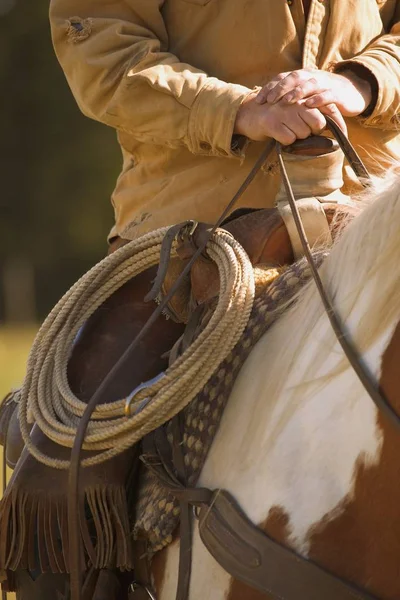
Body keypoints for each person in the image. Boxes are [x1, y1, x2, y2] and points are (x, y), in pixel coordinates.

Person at [49, 0, 400, 247]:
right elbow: (100, 51)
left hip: (379, 216)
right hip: (190, 230)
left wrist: (363, 82)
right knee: (112, 353)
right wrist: (238, 110)